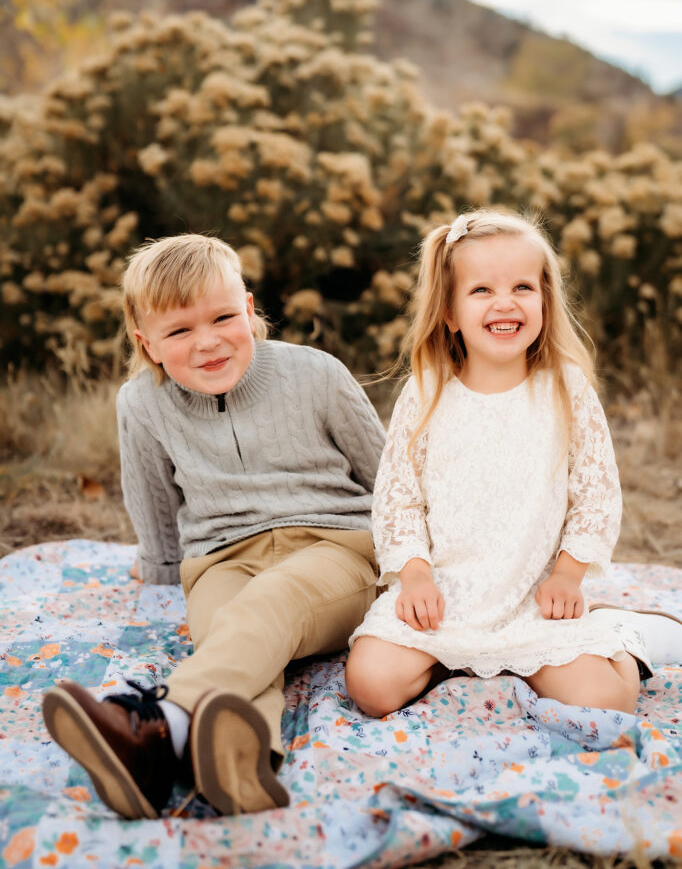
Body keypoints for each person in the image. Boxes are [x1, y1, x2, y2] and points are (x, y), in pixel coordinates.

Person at [42, 233, 386, 820]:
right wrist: (157, 565)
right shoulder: (141, 404)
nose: (207, 342)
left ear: (249, 311)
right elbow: (150, 495)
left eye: (223, 317)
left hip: (334, 550)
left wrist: (416, 564)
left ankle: (153, 724)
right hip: (221, 560)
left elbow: (390, 479)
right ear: (145, 342)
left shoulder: (318, 375)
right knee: (234, 637)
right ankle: (241, 766)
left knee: (269, 603)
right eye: (179, 331)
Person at [345, 208, 682, 719]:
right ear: (450, 313)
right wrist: (414, 579)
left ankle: (625, 632)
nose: (505, 303)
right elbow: (399, 498)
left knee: (610, 702)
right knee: (370, 686)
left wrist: (568, 577)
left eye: (523, 287)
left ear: (545, 301)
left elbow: (595, 495)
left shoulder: (565, 390)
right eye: (481, 290)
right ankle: (461, 659)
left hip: (534, 601)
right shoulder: (429, 392)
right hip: (445, 599)